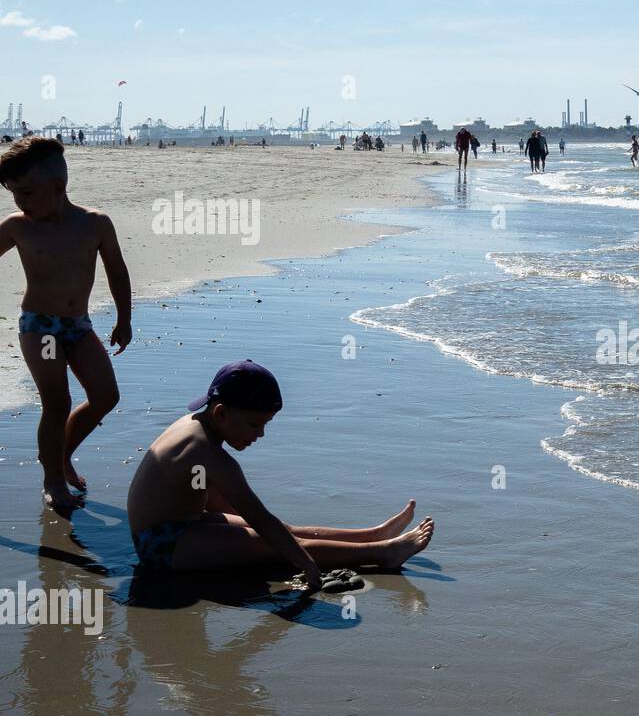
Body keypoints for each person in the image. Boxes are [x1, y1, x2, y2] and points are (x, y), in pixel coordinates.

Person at [126, 360, 434, 587]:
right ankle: (383, 553)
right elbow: (260, 518)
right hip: (161, 546)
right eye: (254, 424)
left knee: (281, 530)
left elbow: (196, 488)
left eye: (265, 424)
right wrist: (305, 564)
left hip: (184, 522)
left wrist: (246, 527)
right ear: (221, 412)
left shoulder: (195, 424)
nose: (260, 434)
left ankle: (372, 535)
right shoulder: (208, 453)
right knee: (271, 542)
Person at [0, 137, 131, 509]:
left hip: (79, 326)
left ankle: (61, 456)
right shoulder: (18, 227)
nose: (20, 202)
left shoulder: (95, 224)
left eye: (26, 192)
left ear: (58, 187)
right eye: (14, 194)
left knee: (106, 396)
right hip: (40, 327)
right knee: (57, 402)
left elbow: (118, 273)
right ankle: (53, 481)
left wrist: (125, 319)